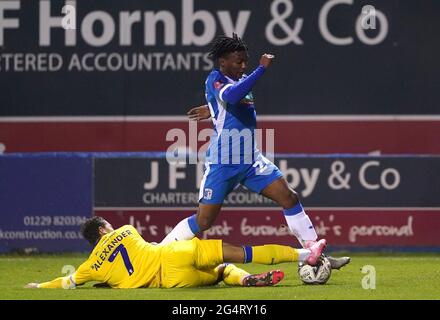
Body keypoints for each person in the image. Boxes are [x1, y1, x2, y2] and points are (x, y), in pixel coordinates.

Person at [160, 33, 349, 269]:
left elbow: (230, 102)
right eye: (238, 62)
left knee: (289, 197)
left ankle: (315, 256)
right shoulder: (215, 79)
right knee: (204, 221)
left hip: (251, 161)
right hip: (224, 163)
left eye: (245, 62)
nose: (243, 66)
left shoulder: (241, 79)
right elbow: (230, 95)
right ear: (223, 62)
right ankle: (157, 255)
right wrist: (261, 69)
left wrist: (212, 108)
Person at [25, 217, 326, 289]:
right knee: (242, 252)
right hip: (175, 254)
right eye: (107, 223)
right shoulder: (126, 230)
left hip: (172, 282)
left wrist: (39, 285)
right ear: (104, 229)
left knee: (218, 274)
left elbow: (67, 283)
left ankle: (245, 281)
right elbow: (149, 247)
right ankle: (305, 256)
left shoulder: (91, 266)